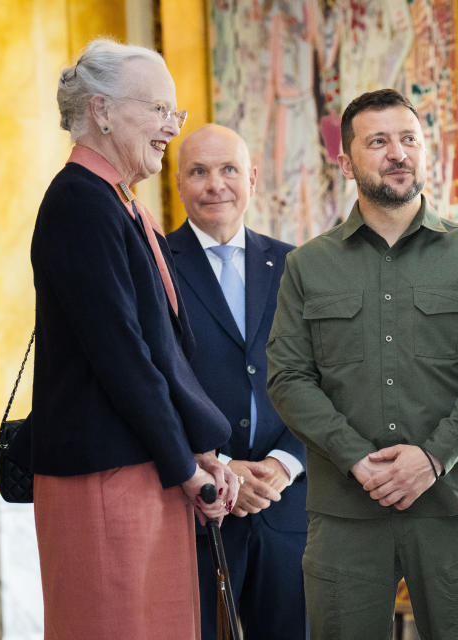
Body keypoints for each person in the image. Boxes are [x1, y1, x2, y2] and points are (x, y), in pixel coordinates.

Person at [266, 88, 458, 639]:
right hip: (344, 516)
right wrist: (357, 458)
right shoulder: (307, 267)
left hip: (452, 508)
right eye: (378, 141)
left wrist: (432, 458)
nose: (397, 153)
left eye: (409, 139)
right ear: (347, 161)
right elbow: (288, 378)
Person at [31, 39, 239, 639]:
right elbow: (123, 356)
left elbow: (163, 350)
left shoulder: (120, 202)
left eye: (175, 113)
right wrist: (186, 466)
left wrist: (195, 451)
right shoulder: (78, 202)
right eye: (158, 110)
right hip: (105, 476)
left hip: (144, 466)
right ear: (101, 110)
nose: (172, 127)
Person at [168, 123, 307, 639]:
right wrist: (223, 467)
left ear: (251, 178)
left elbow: (330, 377)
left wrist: (282, 463)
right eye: (199, 172)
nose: (215, 184)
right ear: (178, 184)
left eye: (228, 170)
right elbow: (156, 383)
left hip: (287, 505)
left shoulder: (297, 265)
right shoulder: (155, 264)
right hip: (197, 508)